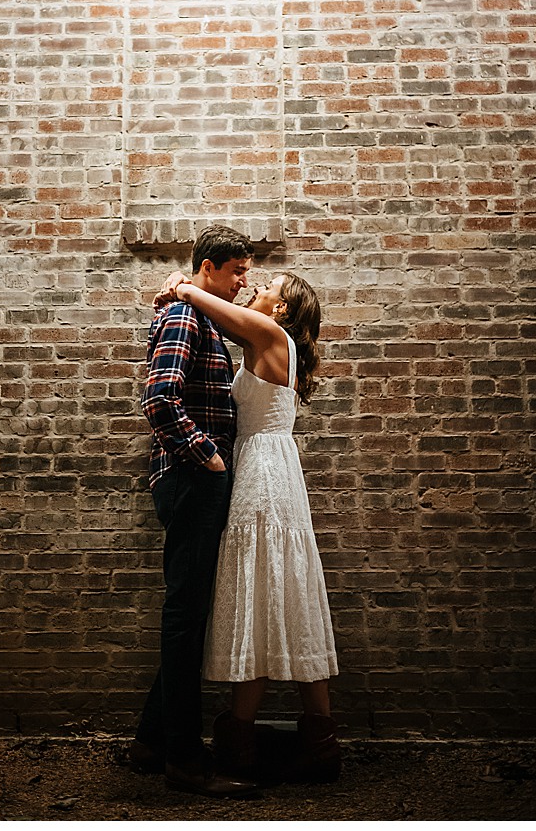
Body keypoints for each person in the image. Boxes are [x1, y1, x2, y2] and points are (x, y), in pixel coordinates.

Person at [156, 266, 342, 785]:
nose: (256, 290)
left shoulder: (269, 333)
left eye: (267, 289)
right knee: (282, 593)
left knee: (260, 589)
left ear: (281, 309)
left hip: (263, 470)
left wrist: (183, 285)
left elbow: (222, 312)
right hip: (272, 465)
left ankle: (240, 742)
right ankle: (318, 742)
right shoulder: (270, 341)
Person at [132, 225, 258, 798]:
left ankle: (151, 741)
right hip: (190, 478)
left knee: (191, 611)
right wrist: (207, 456)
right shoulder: (186, 318)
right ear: (207, 267)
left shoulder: (200, 315)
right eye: (237, 271)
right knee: (186, 615)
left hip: (194, 479)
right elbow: (159, 397)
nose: (243, 280)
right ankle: (184, 758)